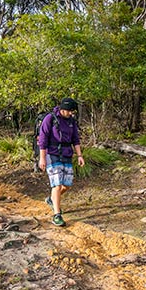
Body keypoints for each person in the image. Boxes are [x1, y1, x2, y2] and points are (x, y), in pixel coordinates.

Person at [38, 97, 85, 227]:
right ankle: (57, 215)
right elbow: (43, 139)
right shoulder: (50, 119)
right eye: (70, 111)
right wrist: (42, 158)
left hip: (66, 154)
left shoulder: (71, 121)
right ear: (63, 109)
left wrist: (79, 155)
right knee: (57, 185)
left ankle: (51, 199)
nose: (71, 113)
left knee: (67, 185)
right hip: (52, 154)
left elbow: (75, 139)